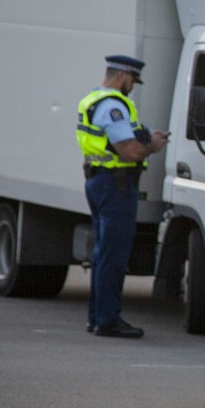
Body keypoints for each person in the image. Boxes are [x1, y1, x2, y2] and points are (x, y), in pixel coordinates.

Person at [76, 55, 169, 339]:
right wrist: (152, 145)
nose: (131, 87)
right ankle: (107, 320)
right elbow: (128, 151)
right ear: (121, 77)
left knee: (104, 253)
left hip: (101, 181)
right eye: (131, 81)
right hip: (115, 186)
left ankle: (98, 317)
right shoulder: (113, 106)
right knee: (113, 256)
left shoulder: (92, 99)